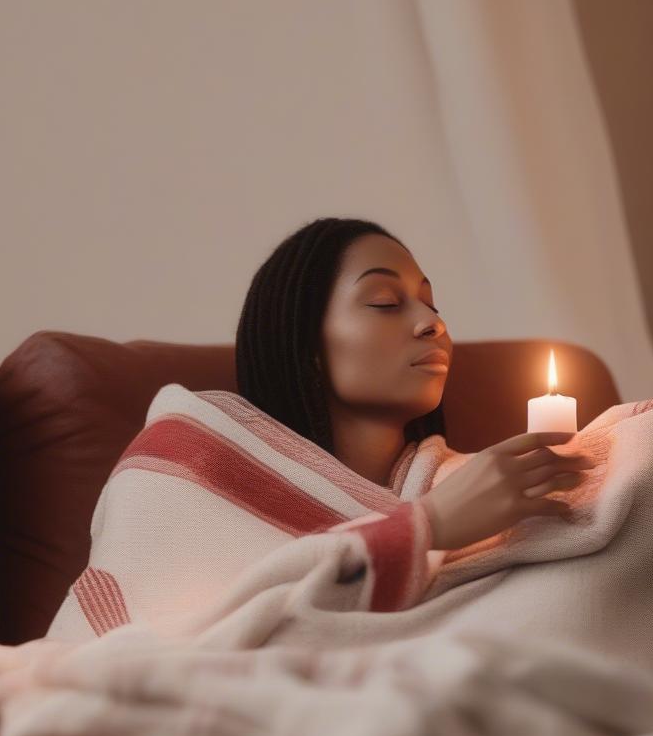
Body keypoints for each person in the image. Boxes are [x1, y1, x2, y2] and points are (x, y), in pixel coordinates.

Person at [235, 217, 597, 552]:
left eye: (431, 305)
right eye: (386, 302)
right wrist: (430, 524)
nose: (431, 323)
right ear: (307, 343)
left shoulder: (482, 488)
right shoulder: (209, 466)